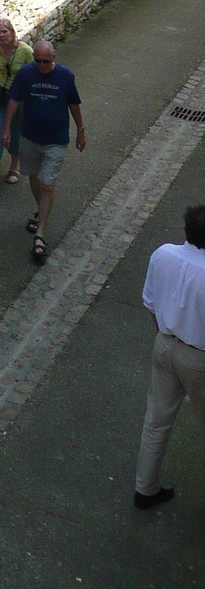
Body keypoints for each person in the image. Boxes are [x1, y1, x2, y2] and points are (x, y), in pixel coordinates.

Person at [133, 204, 205, 509]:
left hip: (164, 344)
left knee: (156, 421)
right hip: (199, 358)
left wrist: (166, 333)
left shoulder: (163, 254)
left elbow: (150, 302)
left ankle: (145, 488)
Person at [3, 39, 85, 263]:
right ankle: (41, 212)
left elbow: (74, 104)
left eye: (45, 61)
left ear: (54, 58)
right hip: (30, 137)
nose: (41, 65)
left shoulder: (65, 76)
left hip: (56, 141)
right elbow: (14, 100)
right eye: (37, 61)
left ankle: (40, 234)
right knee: (33, 176)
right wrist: (7, 127)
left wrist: (81, 130)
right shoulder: (26, 74)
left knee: (47, 183)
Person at [0, 17, 33, 191]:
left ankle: (14, 167)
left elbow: (34, 74)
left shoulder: (25, 51)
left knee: (15, 133)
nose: (2, 35)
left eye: (5, 31)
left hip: (19, 99)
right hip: (0, 96)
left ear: (12, 32)